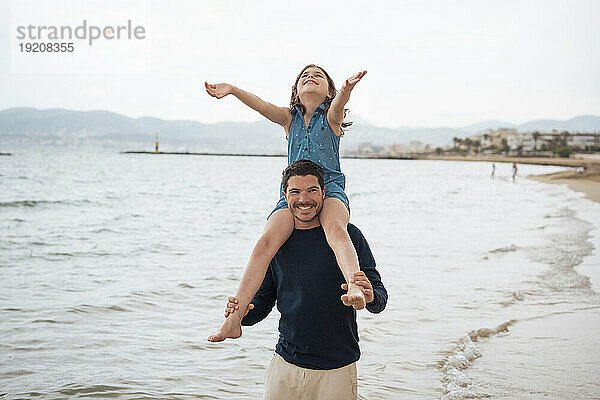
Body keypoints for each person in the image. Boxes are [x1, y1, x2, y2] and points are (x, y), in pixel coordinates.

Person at [206, 65, 368, 342]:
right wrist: (232, 90)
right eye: (305, 76)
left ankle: (354, 285)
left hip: (329, 187)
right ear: (296, 90)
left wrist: (345, 90)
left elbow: (339, 106)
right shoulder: (288, 119)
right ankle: (235, 318)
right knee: (265, 243)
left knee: (336, 230)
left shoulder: (330, 118)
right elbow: (261, 106)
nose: (310, 77)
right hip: (293, 193)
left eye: (318, 76)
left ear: (328, 91)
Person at [224, 160, 388, 399]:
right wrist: (242, 314)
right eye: (295, 192)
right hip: (285, 366)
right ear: (284, 195)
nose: (304, 199)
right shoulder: (278, 242)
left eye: (312, 190)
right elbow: (264, 300)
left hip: (337, 370)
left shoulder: (348, 235)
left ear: (324, 192)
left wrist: (370, 295)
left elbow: (379, 297)